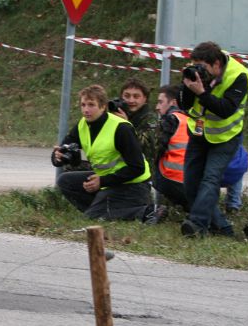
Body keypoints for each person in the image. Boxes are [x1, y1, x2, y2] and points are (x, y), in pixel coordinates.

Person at [178, 42, 248, 237]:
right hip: (198, 133)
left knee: (210, 179)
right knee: (190, 181)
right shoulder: (195, 73)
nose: (199, 71)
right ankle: (222, 227)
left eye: (203, 68)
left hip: (225, 136)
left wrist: (201, 93)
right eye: (196, 66)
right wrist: (188, 87)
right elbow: (184, 105)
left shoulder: (239, 76)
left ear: (217, 64)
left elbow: (225, 109)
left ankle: (197, 225)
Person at [52, 84, 152, 221]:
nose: (86, 110)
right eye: (83, 105)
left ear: (103, 106)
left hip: (134, 185)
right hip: (108, 181)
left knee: (94, 215)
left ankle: (146, 212)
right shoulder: (83, 124)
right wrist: (58, 157)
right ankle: (100, 211)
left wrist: (103, 181)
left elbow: (138, 168)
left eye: (91, 105)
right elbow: (65, 147)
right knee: (65, 181)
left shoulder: (121, 128)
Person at [153, 84, 189, 211]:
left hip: (171, 177)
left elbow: (157, 149)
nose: (157, 107)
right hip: (192, 180)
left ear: (173, 102)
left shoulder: (170, 118)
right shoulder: (189, 119)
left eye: (160, 102)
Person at [114, 78, 159, 170]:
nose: (131, 100)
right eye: (127, 96)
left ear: (145, 99)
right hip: (121, 170)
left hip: (145, 172)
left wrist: (126, 125)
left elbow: (146, 145)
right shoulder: (117, 115)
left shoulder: (150, 119)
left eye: (136, 96)